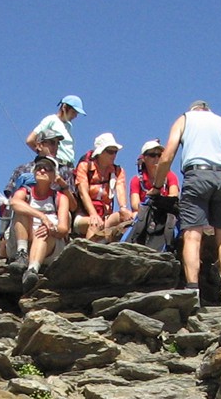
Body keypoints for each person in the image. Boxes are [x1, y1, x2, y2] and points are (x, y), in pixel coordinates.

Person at [153, 101, 221, 304]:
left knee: (192, 235)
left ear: (193, 110)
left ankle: (193, 291)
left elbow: (167, 155)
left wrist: (157, 186)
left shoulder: (185, 118)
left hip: (197, 174)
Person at [10, 157, 71, 290]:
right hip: (24, 238)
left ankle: (32, 270)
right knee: (22, 211)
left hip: (49, 245)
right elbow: (14, 203)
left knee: (43, 231)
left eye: (48, 168)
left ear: (54, 176)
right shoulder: (25, 191)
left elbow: (63, 228)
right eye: (39, 167)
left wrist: (50, 229)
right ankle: (21, 254)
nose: (42, 170)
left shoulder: (60, 198)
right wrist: (41, 216)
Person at [73, 133, 133, 241]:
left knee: (127, 219)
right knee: (94, 224)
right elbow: (83, 193)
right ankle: (88, 255)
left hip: (106, 216)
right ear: (100, 152)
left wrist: (123, 209)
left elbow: (120, 190)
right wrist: (93, 214)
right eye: (110, 151)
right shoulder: (85, 166)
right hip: (83, 216)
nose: (114, 155)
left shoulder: (118, 171)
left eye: (115, 151)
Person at [125, 138, 180, 250]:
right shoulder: (137, 180)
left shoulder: (170, 176)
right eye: (152, 155)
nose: (156, 158)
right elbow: (135, 205)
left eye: (159, 155)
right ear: (144, 158)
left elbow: (174, 195)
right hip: (145, 215)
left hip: (165, 213)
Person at [26, 95, 84, 170]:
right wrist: (45, 155)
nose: (75, 116)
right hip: (56, 165)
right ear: (64, 107)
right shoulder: (51, 120)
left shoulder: (69, 126)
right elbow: (30, 140)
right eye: (73, 112)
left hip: (69, 167)